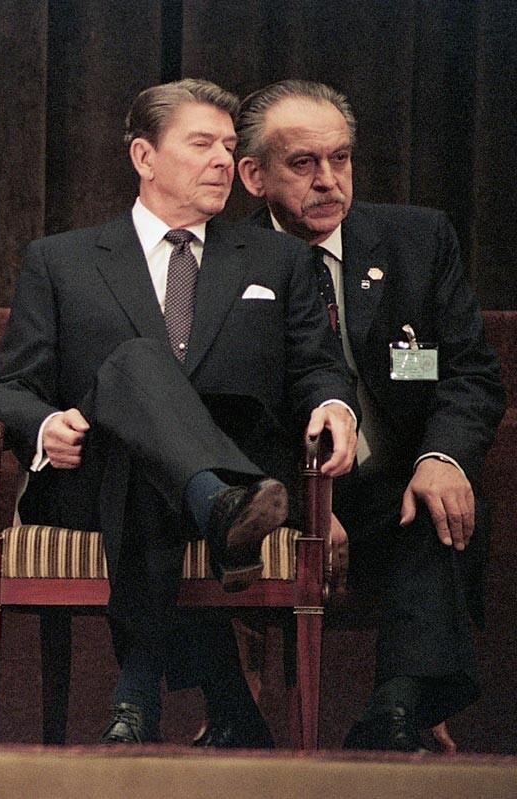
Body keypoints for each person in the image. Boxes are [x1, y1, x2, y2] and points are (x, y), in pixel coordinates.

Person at [0, 79, 358, 746]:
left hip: (230, 468)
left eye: (229, 146)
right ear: (144, 157)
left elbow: (318, 365)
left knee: (149, 460)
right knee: (136, 365)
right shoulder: (61, 260)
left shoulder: (280, 259)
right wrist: (44, 424)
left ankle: (140, 690)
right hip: (91, 480)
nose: (222, 160)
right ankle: (216, 527)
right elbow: (8, 387)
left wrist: (335, 406)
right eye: (201, 143)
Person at [234, 79, 505, 751]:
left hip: (396, 483)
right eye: (303, 163)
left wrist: (440, 458)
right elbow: (226, 418)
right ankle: (241, 722)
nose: (328, 180)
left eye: (341, 158)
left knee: (444, 504)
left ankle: (394, 711)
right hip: (278, 489)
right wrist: (308, 502)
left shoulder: (416, 239)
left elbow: (467, 374)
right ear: (253, 175)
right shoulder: (226, 264)